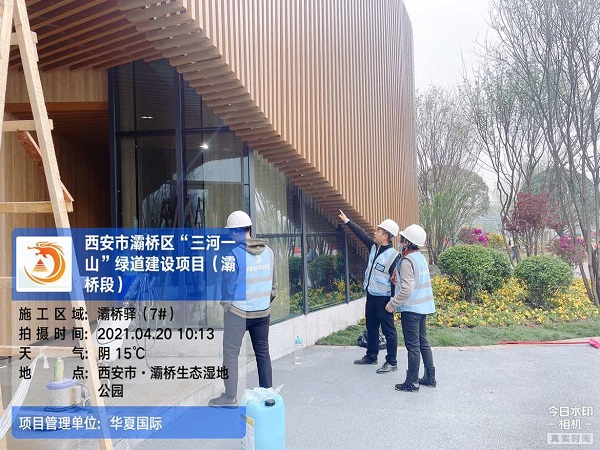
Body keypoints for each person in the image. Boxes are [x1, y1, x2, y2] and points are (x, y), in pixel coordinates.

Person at [208, 210, 277, 407]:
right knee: (262, 352)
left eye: (231, 232)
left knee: (231, 354)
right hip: (262, 313)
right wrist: (262, 303)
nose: (230, 235)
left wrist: (227, 306)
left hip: (238, 314)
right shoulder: (269, 252)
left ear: (237, 231)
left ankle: (230, 397)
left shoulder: (233, 256)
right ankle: (267, 396)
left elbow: (227, 289)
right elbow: (274, 287)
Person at [338, 209, 400, 374]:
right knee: (371, 327)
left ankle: (391, 362)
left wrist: (393, 303)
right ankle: (371, 356)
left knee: (388, 331)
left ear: (385, 235)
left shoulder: (394, 257)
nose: (375, 232)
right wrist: (347, 221)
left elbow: (397, 282)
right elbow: (361, 234)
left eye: (378, 230)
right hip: (371, 296)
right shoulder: (374, 247)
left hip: (385, 300)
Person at [385, 224, 436, 392]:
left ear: (407, 242)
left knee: (413, 346)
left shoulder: (407, 261)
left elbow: (407, 289)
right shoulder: (420, 258)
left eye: (402, 239)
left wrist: (392, 304)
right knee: (423, 342)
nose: (400, 241)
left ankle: (412, 382)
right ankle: (430, 377)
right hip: (422, 308)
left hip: (411, 309)